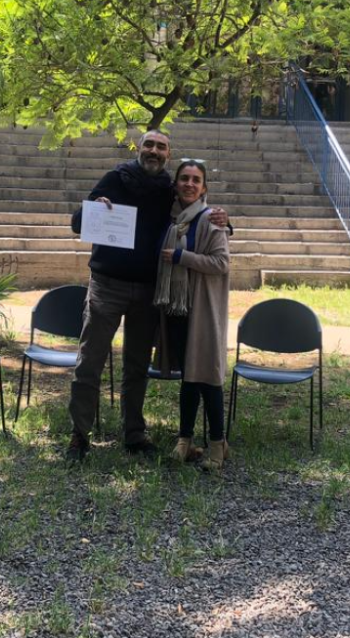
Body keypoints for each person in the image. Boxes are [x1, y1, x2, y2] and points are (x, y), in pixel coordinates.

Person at [67, 130, 229, 462]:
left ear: (168, 154)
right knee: (90, 362)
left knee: (136, 366)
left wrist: (225, 220)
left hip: (147, 291)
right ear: (138, 148)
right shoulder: (115, 178)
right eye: (149, 145)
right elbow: (77, 223)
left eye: (161, 147)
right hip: (107, 286)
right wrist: (93, 210)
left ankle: (134, 434)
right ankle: (79, 435)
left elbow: (193, 211)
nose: (154, 151)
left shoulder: (167, 190)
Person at [154, 160, 230, 472]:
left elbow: (221, 263)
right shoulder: (171, 219)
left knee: (209, 378)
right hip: (176, 309)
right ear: (176, 184)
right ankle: (184, 440)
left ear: (204, 188)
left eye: (196, 180)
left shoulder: (211, 220)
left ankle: (217, 443)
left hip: (202, 308)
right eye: (184, 178)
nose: (189, 184)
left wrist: (183, 257)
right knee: (189, 377)